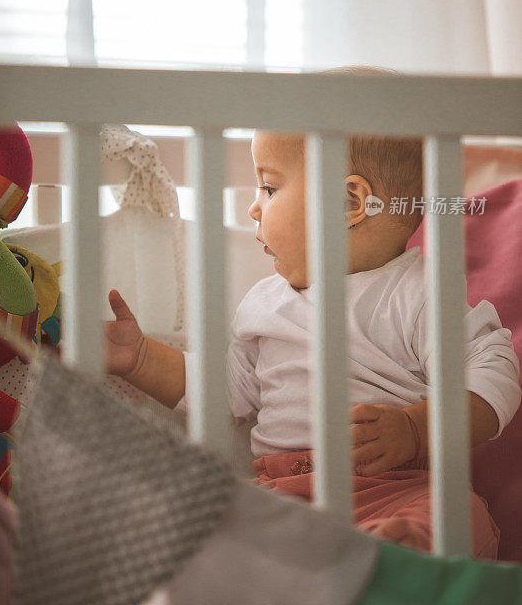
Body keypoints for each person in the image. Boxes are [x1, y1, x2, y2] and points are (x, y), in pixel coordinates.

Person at [105, 72, 520, 559]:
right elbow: (223, 389)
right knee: (197, 521)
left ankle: (399, 563)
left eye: (268, 188)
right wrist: (140, 359)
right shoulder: (264, 303)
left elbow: (494, 372)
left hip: (397, 489)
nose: (253, 208)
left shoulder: (418, 291)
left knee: (459, 518)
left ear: (347, 202)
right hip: (282, 496)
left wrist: (414, 428)